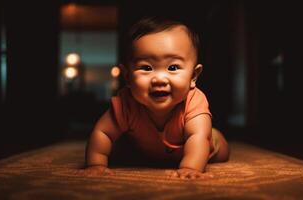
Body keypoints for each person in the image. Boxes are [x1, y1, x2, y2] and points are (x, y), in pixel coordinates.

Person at [83, 16, 229, 179]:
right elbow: (102, 132)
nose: (159, 79)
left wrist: (190, 168)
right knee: (122, 148)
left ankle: (214, 135)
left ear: (193, 76)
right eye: (146, 67)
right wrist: (96, 163)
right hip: (147, 148)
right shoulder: (126, 103)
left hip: (206, 145)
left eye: (173, 67)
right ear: (127, 76)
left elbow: (198, 137)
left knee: (218, 148)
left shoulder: (193, 101)